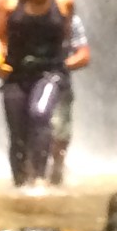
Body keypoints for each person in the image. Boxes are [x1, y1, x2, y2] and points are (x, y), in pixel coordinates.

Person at [0, 0, 81, 188]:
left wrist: (65, 66)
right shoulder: (8, 1)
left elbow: (66, 36)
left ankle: (39, 179)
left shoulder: (64, 2)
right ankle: (20, 183)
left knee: (39, 114)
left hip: (50, 72)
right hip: (17, 74)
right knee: (17, 132)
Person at [48, 12, 91, 185]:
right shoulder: (19, 14)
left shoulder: (69, 18)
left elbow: (83, 53)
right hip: (27, 81)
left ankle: (57, 170)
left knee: (59, 129)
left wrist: (61, 66)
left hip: (60, 83)